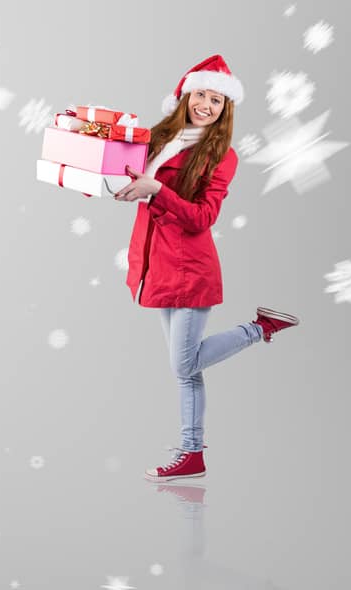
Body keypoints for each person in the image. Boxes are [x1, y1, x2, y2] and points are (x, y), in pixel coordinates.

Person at [112, 55, 300, 482]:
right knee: (188, 368)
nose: (207, 105)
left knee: (183, 365)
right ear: (185, 95)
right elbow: (124, 171)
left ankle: (260, 329)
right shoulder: (160, 137)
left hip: (189, 267)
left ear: (225, 108)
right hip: (157, 262)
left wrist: (156, 188)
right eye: (201, 94)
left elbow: (201, 217)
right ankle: (192, 452)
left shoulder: (221, 155)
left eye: (217, 100)